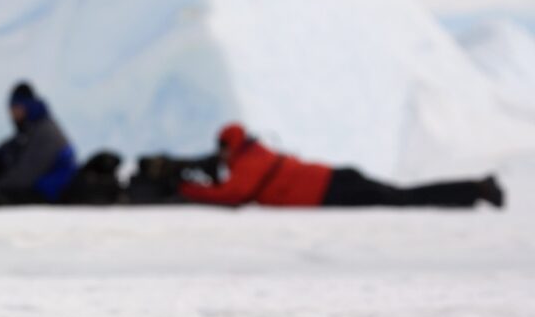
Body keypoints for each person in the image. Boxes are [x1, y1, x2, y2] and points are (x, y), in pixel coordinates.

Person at [177, 123, 505, 209]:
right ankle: (472, 192)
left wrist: (186, 188)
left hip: (331, 189)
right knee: (401, 196)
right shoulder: (254, 154)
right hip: (334, 181)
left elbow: (234, 194)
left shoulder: (248, 162)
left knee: (402, 199)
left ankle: (475, 189)